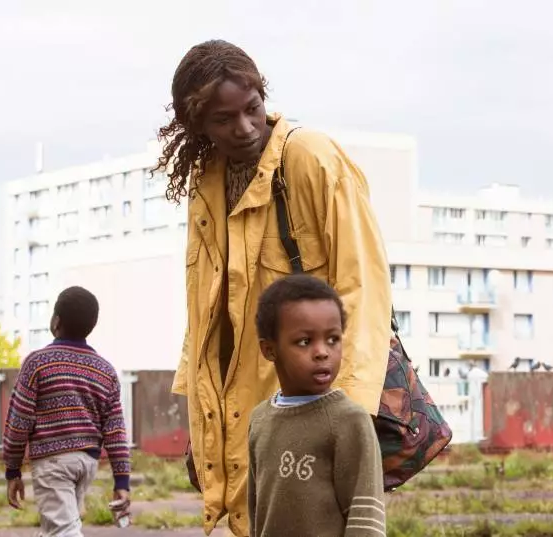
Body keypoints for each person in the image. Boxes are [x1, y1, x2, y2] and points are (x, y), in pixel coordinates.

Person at [157, 40, 392, 536]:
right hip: (248, 417)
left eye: (252, 108)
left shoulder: (311, 158)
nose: (245, 128)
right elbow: (202, 315)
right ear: (197, 126)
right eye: (224, 119)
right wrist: (202, 429)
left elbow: (363, 286)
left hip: (314, 405)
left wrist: (348, 413)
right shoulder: (205, 184)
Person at [248, 274, 385, 537]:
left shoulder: (349, 420)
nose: (322, 352)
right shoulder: (260, 419)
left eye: (333, 339)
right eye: (304, 341)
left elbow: (366, 517)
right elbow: (256, 513)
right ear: (269, 350)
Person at [3, 286, 131, 536]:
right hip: (87, 463)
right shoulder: (105, 371)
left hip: (53, 462)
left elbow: (19, 422)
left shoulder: (37, 363)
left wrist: (13, 469)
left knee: (62, 531)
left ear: (56, 321)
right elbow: (115, 432)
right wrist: (122, 481)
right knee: (59, 527)